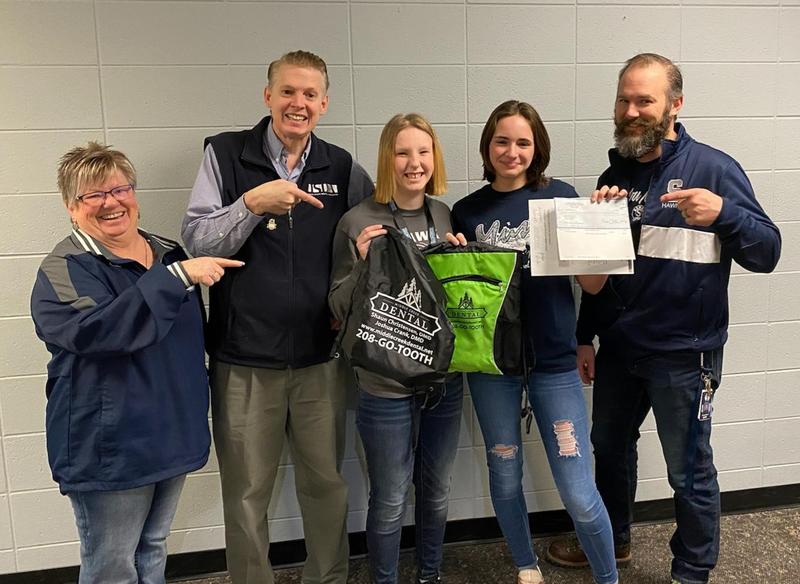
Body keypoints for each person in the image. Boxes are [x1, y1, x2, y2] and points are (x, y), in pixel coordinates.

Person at [545, 53, 781, 584]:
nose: (631, 110)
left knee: (688, 470)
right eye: (624, 99)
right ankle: (614, 542)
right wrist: (586, 336)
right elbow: (600, 270)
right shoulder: (614, 176)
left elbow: (768, 252)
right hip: (620, 349)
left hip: (683, 353)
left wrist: (725, 215)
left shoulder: (715, 169)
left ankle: (692, 571)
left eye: (644, 100)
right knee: (609, 449)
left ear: (675, 104)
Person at [181, 50, 373, 584]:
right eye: (288, 91)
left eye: (310, 94)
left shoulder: (341, 167)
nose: (299, 103)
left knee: (326, 486)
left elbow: (370, 239)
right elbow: (195, 240)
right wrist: (251, 204)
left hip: (321, 358)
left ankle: (328, 578)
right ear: (268, 96)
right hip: (243, 360)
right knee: (245, 493)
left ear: (324, 103)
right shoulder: (226, 155)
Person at [30, 142, 241, 583]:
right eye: (94, 195)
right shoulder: (64, 270)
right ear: (72, 208)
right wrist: (176, 279)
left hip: (171, 437)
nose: (111, 202)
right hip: (112, 449)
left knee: (152, 549)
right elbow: (102, 331)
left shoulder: (168, 253)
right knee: (112, 564)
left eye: (120, 189)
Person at [450, 101, 619, 584]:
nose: (512, 151)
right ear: (488, 146)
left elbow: (592, 285)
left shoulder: (563, 198)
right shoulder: (469, 211)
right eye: (502, 141)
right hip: (491, 370)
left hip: (555, 365)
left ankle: (608, 577)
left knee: (578, 489)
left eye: (523, 142)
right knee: (504, 473)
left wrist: (600, 227)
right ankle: (526, 566)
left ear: (537, 147)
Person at [329, 113, 466, 584]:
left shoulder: (445, 215)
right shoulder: (357, 220)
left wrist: (461, 262)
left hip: (443, 384)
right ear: (387, 158)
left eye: (423, 152)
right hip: (383, 385)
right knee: (388, 499)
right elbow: (337, 307)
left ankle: (430, 574)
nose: (414, 163)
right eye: (403, 153)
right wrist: (363, 264)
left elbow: (451, 303)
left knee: (437, 490)